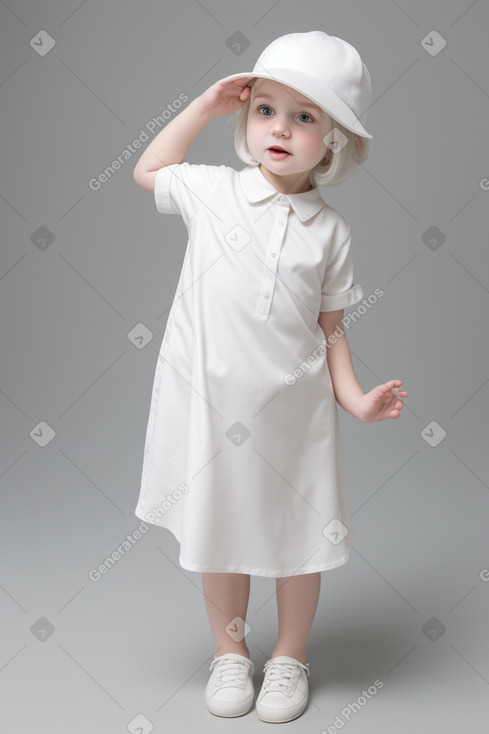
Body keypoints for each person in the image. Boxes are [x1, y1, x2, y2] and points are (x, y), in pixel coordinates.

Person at [133, 30, 408, 724]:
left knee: (298, 537)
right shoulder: (212, 193)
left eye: (304, 117)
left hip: (294, 415)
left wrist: (354, 399)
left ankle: (289, 657)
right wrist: (201, 106)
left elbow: (330, 328)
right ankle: (230, 654)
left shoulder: (330, 232)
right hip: (213, 407)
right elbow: (149, 169)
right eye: (264, 110)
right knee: (218, 530)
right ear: (245, 119)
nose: (280, 127)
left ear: (335, 140)